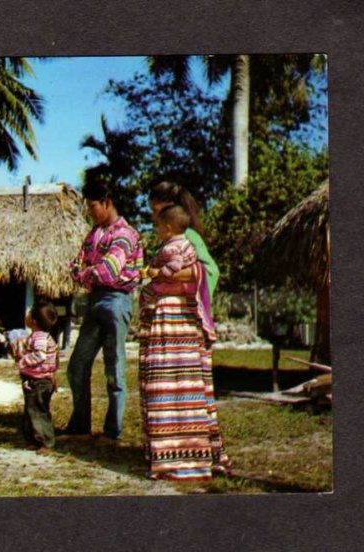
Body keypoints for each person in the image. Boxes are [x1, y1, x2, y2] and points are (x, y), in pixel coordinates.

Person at [137, 180, 229, 481]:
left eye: (155, 211)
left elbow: (207, 271)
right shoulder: (173, 238)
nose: (153, 218)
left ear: (168, 210)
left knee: (190, 391)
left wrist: (161, 278)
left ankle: (198, 454)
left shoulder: (185, 237)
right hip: (170, 319)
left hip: (184, 320)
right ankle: (175, 451)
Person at [64, 180, 144, 443]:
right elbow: (76, 267)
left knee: (115, 366)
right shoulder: (93, 234)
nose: (90, 211)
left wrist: (86, 273)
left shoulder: (126, 234)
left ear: (107, 203)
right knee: (77, 364)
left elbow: (106, 271)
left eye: (92, 205)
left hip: (117, 300)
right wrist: (88, 273)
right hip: (96, 300)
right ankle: (80, 425)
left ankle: (113, 430)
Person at [148, 180, 219, 299]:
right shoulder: (170, 239)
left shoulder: (189, 236)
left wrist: (165, 274)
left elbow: (210, 271)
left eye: (155, 210)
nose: (153, 217)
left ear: (170, 207)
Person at [10, 301, 60, 454]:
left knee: (38, 411)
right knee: (33, 410)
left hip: (38, 381)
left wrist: (22, 361)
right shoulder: (43, 336)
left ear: (34, 321)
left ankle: (46, 441)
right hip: (39, 379)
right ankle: (33, 439)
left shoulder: (39, 338)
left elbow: (40, 355)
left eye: (29, 313)